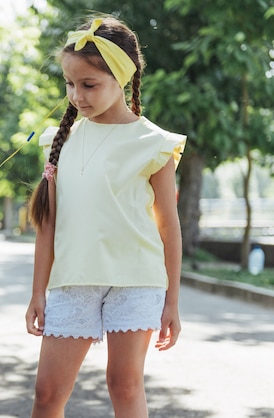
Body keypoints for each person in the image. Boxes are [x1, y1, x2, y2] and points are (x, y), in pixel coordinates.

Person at [25, 16, 186, 418]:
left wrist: (173, 302)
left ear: (122, 76)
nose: (76, 95)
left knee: (125, 385)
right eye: (69, 84)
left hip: (137, 282)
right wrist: (37, 291)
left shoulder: (155, 144)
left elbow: (169, 225)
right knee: (47, 394)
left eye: (88, 85)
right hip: (72, 281)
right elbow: (48, 224)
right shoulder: (59, 142)